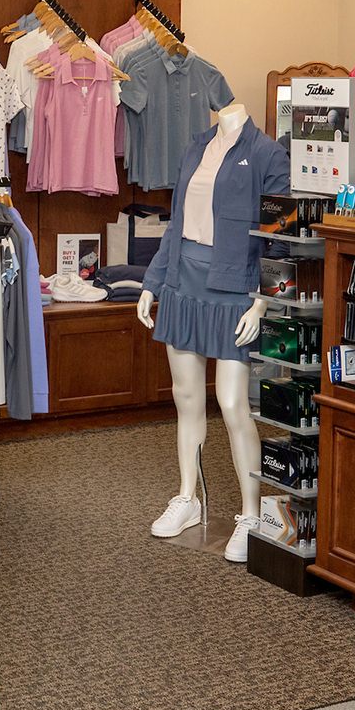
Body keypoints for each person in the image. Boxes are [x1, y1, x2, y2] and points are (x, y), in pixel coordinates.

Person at [136, 101, 292, 562]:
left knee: (232, 404)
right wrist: (152, 283)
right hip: (182, 283)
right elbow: (176, 223)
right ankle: (187, 497)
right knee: (186, 398)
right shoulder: (197, 147)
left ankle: (251, 515)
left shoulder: (267, 153)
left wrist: (263, 302)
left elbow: (281, 237)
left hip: (235, 291)